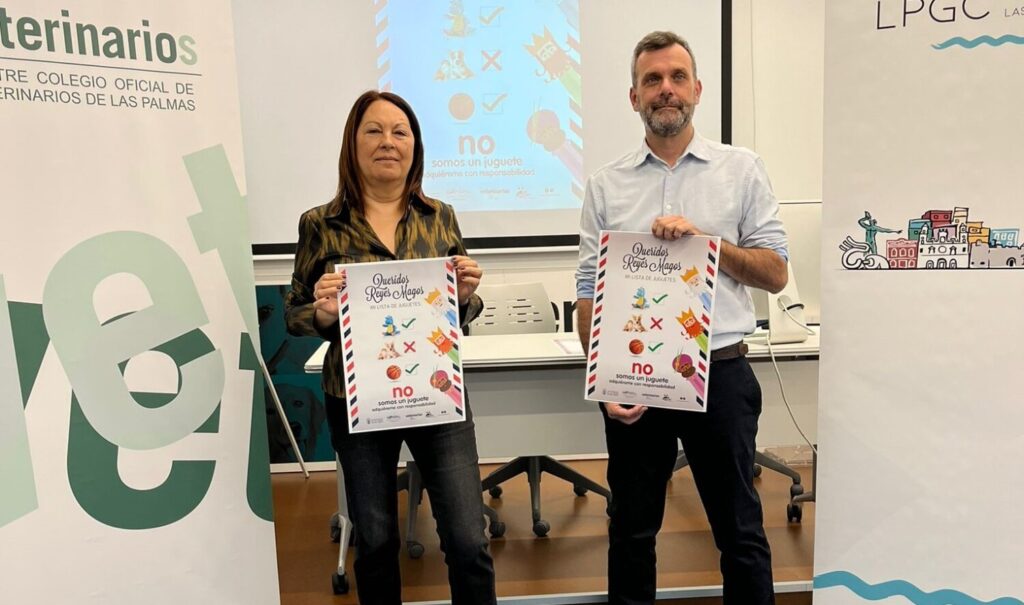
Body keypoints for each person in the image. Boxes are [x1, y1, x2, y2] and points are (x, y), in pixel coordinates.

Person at [575, 32, 789, 605]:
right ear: (633, 96)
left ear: (696, 89)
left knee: (739, 530)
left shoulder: (741, 170)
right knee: (631, 531)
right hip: (637, 382)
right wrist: (604, 381)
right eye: (652, 80)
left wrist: (710, 243)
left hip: (720, 374)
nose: (664, 89)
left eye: (675, 77)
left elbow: (774, 273)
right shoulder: (605, 184)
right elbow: (588, 294)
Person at [284, 90, 496, 605]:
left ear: (415, 147)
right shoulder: (319, 223)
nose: (388, 142)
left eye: (400, 132)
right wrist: (319, 313)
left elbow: (461, 309)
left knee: (469, 539)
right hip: (358, 406)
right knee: (375, 542)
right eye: (373, 131)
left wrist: (465, 298)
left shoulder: (440, 216)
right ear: (352, 144)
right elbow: (294, 310)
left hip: (437, 395)